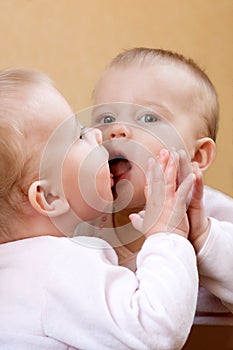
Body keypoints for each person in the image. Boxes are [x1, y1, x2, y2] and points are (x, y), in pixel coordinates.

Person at [0, 68, 199, 350]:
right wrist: (168, 235)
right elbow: (156, 330)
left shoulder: (19, 270)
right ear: (50, 197)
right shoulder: (57, 266)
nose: (95, 133)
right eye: (78, 136)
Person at [77, 47, 233, 344]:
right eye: (105, 117)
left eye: (148, 118)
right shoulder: (85, 221)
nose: (117, 130)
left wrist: (203, 238)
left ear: (198, 155)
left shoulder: (214, 214)